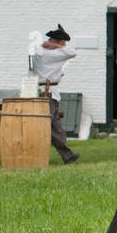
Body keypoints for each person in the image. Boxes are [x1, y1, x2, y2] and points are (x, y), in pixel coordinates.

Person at [32, 24, 80, 164]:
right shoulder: (53, 53)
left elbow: (39, 49)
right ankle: (65, 155)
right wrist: (58, 47)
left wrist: (51, 44)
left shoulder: (41, 50)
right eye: (62, 42)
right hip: (49, 93)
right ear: (58, 42)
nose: (64, 45)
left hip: (48, 92)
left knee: (56, 125)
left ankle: (67, 155)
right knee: (50, 126)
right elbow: (72, 52)